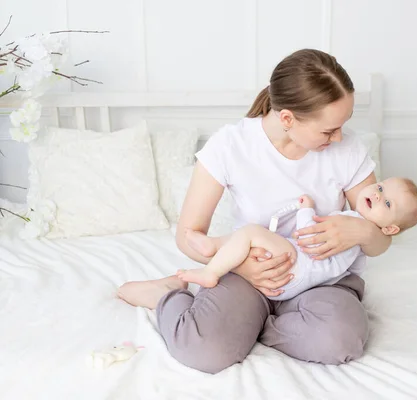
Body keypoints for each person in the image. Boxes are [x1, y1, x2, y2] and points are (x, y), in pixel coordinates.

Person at [118, 48, 393, 374]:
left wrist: (362, 231)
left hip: (324, 279)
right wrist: (244, 266)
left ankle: (249, 327)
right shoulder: (231, 146)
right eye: (328, 130)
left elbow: (381, 241)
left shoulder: (348, 150)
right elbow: (188, 234)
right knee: (203, 350)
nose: (339, 137)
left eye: (343, 125)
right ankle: (170, 296)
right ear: (288, 118)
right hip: (252, 277)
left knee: (340, 342)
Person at [176, 177, 417, 301]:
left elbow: (310, 240)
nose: (378, 195)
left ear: (391, 229)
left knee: (253, 232)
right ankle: (216, 246)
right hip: (296, 273)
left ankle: (212, 268)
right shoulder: (355, 231)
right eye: (380, 188)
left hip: (296, 267)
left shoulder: (351, 227)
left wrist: (307, 211)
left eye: (388, 203)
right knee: (252, 238)